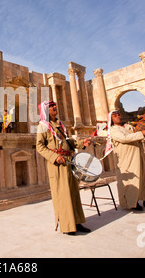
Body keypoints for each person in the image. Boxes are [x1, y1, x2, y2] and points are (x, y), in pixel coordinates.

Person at [36, 100, 92, 235]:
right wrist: (54, 157)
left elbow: (68, 142)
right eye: (51, 106)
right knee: (63, 194)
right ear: (45, 110)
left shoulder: (60, 124)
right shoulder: (43, 126)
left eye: (55, 105)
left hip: (68, 161)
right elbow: (40, 146)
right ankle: (67, 226)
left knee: (73, 192)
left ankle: (77, 222)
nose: (55, 107)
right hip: (58, 163)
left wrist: (81, 143)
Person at [108, 110, 145, 211]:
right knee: (131, 180)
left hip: (137, 154)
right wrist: (142, 133)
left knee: (142, 177)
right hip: (126, 158)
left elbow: (137, 136)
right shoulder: (113, 129)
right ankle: (131, 202)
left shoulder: (128, 127)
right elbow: (124, 138)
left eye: (118, 114)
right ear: (111, 119)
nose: (118, 116)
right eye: (114, 116)